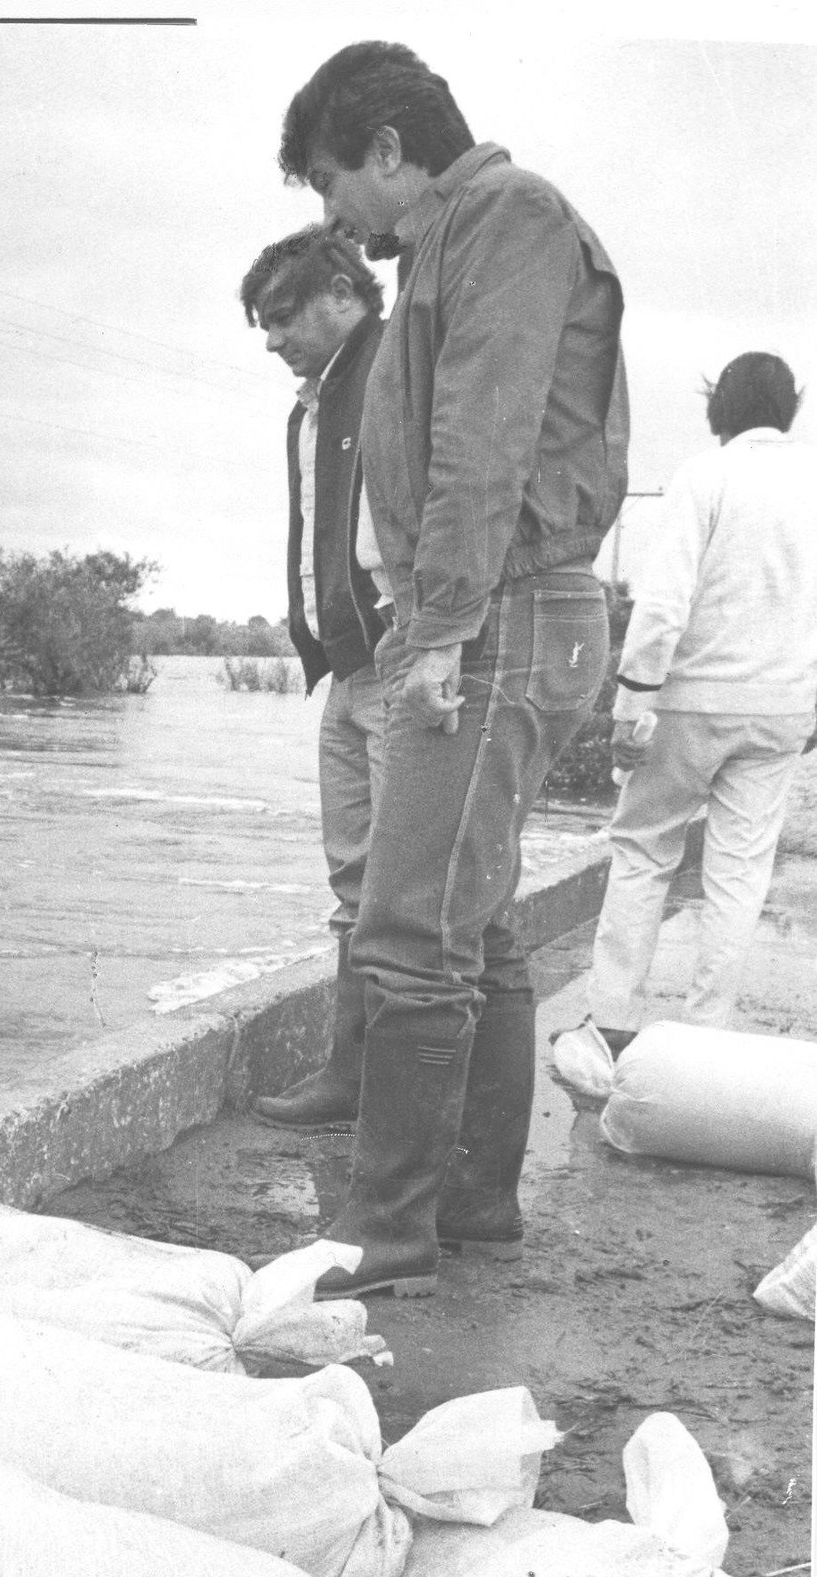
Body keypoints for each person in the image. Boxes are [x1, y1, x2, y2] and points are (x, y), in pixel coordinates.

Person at [278, 41, 628, 1296]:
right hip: (504, 609)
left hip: (499, 613)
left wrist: (434, 632)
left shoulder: (503, 217)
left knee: (406, 926)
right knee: (468, 918)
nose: (334, 219)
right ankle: (473, 1203)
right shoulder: (451, 239)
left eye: (333, 184)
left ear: (388, 149)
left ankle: (384, 1230)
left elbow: (482, 439)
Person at [554, 353, 817, 1088]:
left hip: (690, 699)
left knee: (644, 852)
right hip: (781, 707)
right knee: (740, 873)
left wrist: (631, 702)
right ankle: (705, 1042)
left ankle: (611, 1027)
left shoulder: (705, 476)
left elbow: (664, 600)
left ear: (719, 407)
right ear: (789, 407)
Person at [233, 228, 392, 1130]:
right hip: (348, 669)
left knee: (404, 894)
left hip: (401, 659)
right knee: (357, 885)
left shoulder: (393, 370)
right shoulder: (312, 405)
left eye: (282, 317)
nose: (271, 340)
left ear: (342, 292)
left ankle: (396, 1098)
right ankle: (353, 1077)